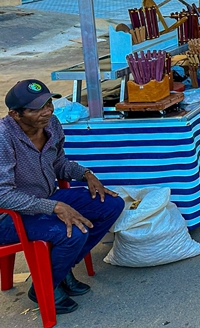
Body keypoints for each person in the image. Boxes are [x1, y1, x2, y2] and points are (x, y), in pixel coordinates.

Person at [0, 80, 125, 315]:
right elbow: (2, 195)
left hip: (48, 198)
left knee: (110, 205)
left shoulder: (52, 124)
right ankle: (42, 287)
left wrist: (85, 174)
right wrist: (54, 206)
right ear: (15, 114)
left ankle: (62, 267)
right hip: (10, 217)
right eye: (37, 109)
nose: (47, 111)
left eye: (48, 103)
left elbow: (58, 163)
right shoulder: (3, 138)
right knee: (72, 232)